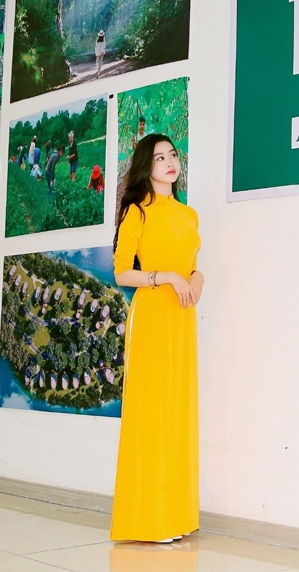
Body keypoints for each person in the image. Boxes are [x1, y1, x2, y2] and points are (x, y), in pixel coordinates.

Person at [111, 134, 202, 544]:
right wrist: (164, 276)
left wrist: (197, 278)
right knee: (151, 414)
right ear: (146, 166)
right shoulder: (137, 212)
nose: (169, 162)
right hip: (151, 317)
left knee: (178, 413)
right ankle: (149, 520)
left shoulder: (188, 215)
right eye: (159, 157)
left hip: (182, 318)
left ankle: (176, 516)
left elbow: (192, 265)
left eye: (172, 155)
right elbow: (121, 273)